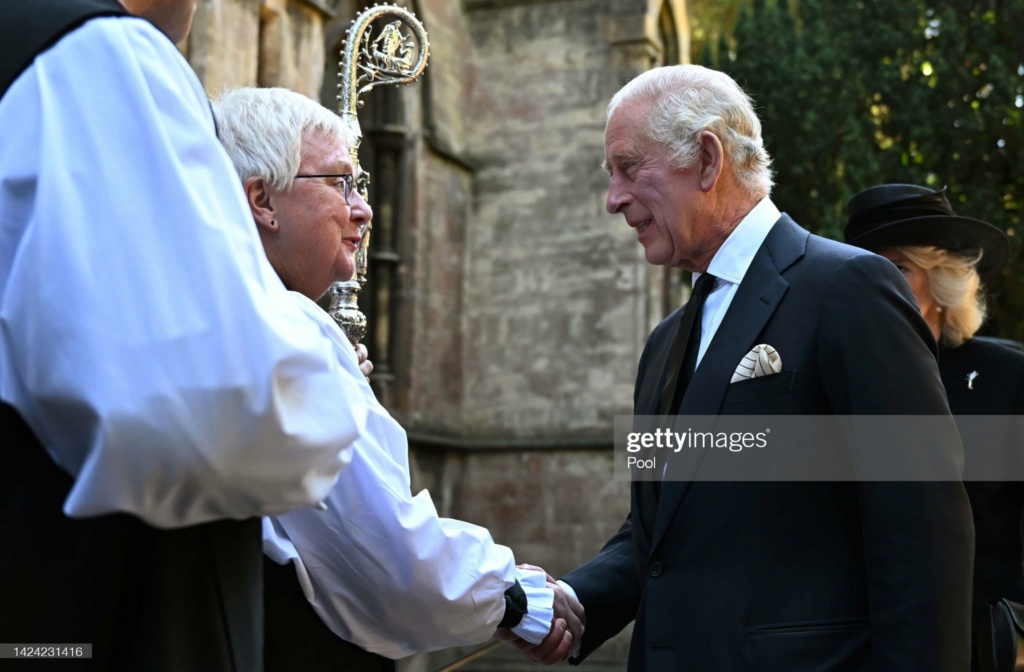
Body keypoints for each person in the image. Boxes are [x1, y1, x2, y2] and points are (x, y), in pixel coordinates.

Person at [512, 64, 975, 670]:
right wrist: (570, 601)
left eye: (629, 168)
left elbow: (924, 533)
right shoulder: (662, 344)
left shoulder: (849, 288)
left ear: (707, 159)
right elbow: (658, 532)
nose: (613, 199)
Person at [0, 1, 369, 669]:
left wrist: (608, 585)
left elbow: (631, 506)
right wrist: (332, 383)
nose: (618, 197)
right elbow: (221, 420)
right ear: (258, 199)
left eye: (624, 166)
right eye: (341, 183)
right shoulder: (98, 55)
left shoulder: (632, 373)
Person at [212, 86, 584, 671]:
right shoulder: (284, 327)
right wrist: (516, 599)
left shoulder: (213, 313)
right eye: (340, 184)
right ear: (262, 199)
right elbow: (380, 550)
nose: (362, 209)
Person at [844, 183, 1024, 671]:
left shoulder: (1009, 377)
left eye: (897, 268)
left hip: (983, 646)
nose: (877, 286)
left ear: (941, 279)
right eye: (863, 271)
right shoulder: (840, 386)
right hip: (860, 648)